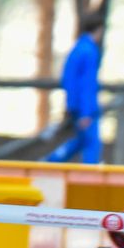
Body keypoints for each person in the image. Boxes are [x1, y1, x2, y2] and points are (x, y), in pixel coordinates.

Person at [47, 14, 105, 164]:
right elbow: (87, 84)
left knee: (81, 141)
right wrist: (86, 112)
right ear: (99, 30)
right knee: (92, 143)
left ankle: (52, 161)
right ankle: (90, 176)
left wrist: (71, 104)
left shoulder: (77, 49)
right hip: (86, 107)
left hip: (75, 104)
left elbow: (68, 79)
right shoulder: (90, 51)